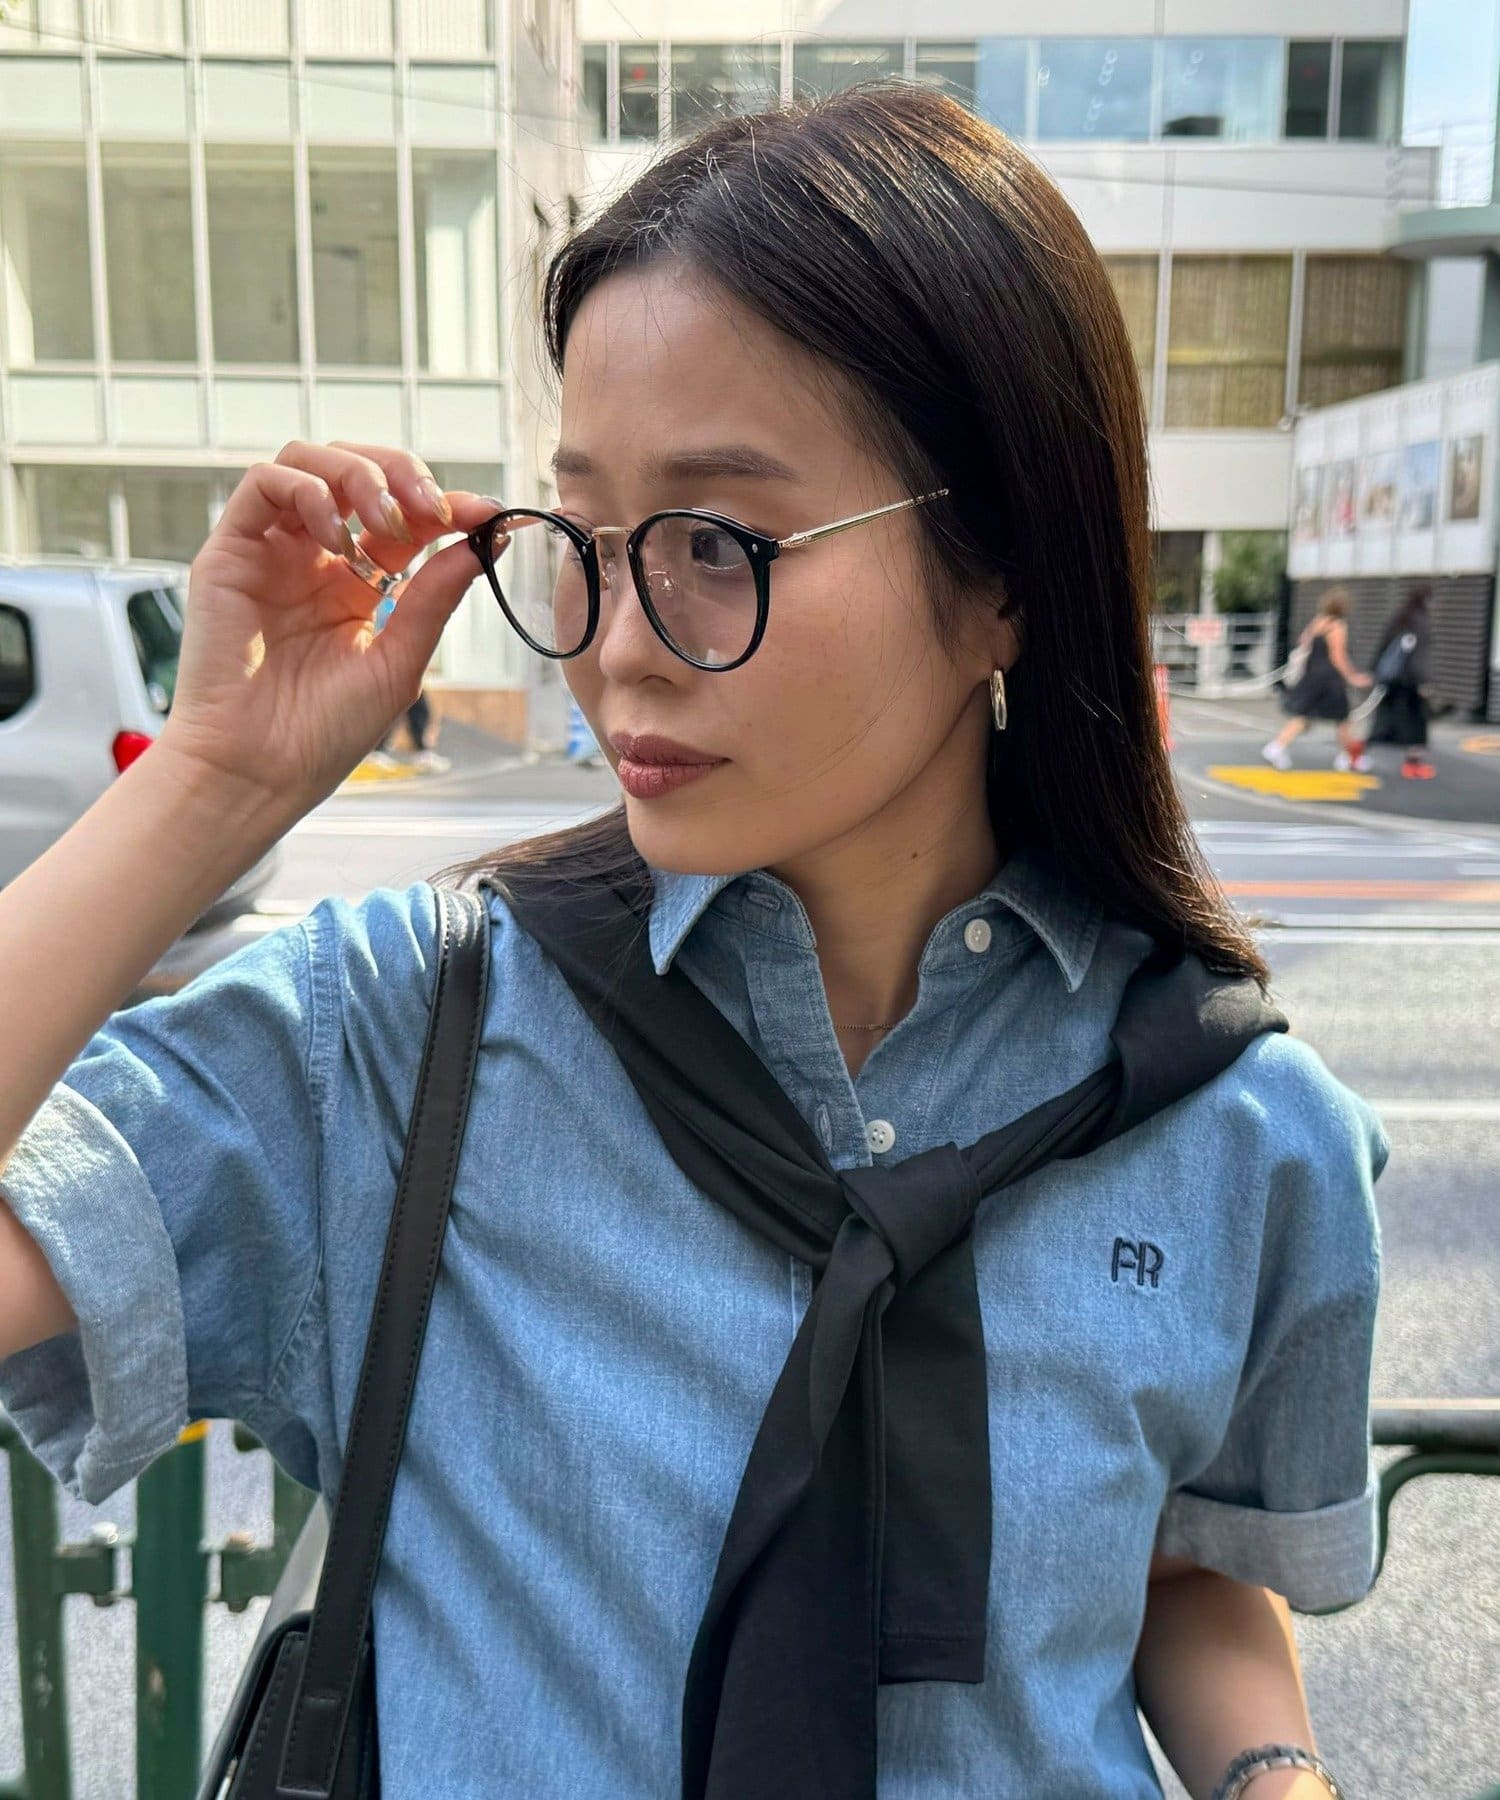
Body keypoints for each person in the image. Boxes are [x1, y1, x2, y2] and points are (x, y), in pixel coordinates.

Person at [0, 86, 1387, 1798]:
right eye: (583, 540)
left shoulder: (1231, 1123)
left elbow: (1174, 1560)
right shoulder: (406, 1037)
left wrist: (1273, 1773)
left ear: (1007, 576)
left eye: (717, 545)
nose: (616, 649)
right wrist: (213, 781)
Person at [1262, 587, 1374, 772]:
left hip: (1311, 676)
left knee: (1303, 716)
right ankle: (1350, 757)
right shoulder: (1337, 627)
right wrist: (1353, 676)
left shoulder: (1318, 622)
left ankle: (1277, 746)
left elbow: (1304, 642)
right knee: (1342, 719)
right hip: (1329, 680)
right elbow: (1338, 657)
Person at [1366, 585, 1436, 780]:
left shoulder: (1400, 619)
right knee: (1416, 724)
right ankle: (1413, 764)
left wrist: (1374, 670)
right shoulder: (1421, 622)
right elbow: (1419, 656)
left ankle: (1356, 753)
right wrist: (1424, 681)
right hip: (1411, 681)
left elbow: (1383, 646)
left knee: (1385, 721)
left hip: (1393, 680)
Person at [373, 588, 448, 771]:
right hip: (394, 668)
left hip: (404, 669)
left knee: (416, 709)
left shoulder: (394, 606)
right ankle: (379, 751)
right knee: (397, 710)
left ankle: (418, 750)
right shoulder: (388, 607)